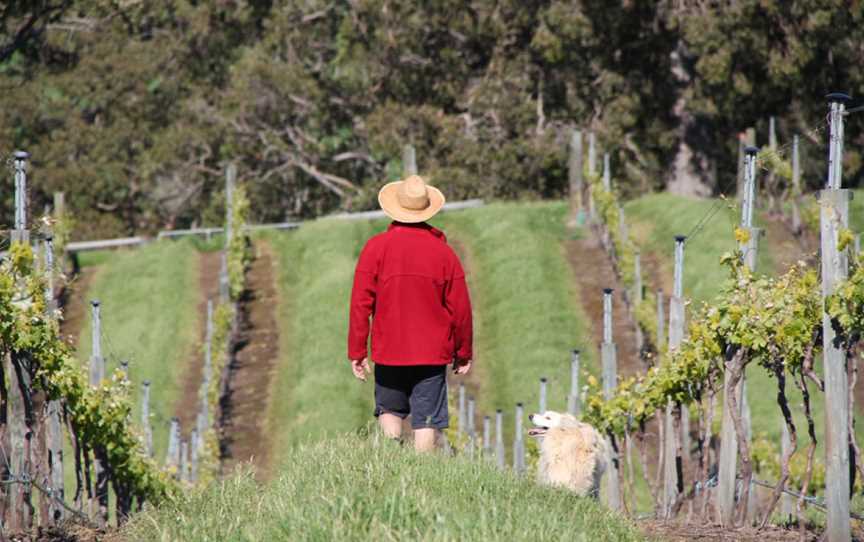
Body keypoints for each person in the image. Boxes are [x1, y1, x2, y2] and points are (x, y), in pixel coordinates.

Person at [348, 174, 473, 452]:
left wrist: (357, 351)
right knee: (427, 418)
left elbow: (360, 303)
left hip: (388, 349)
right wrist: (463, 352)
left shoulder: (375, 248)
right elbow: (461, 309)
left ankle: (392, 466)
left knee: (389, 410)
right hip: (431, 353)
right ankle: (422, 476)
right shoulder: (444, 254)